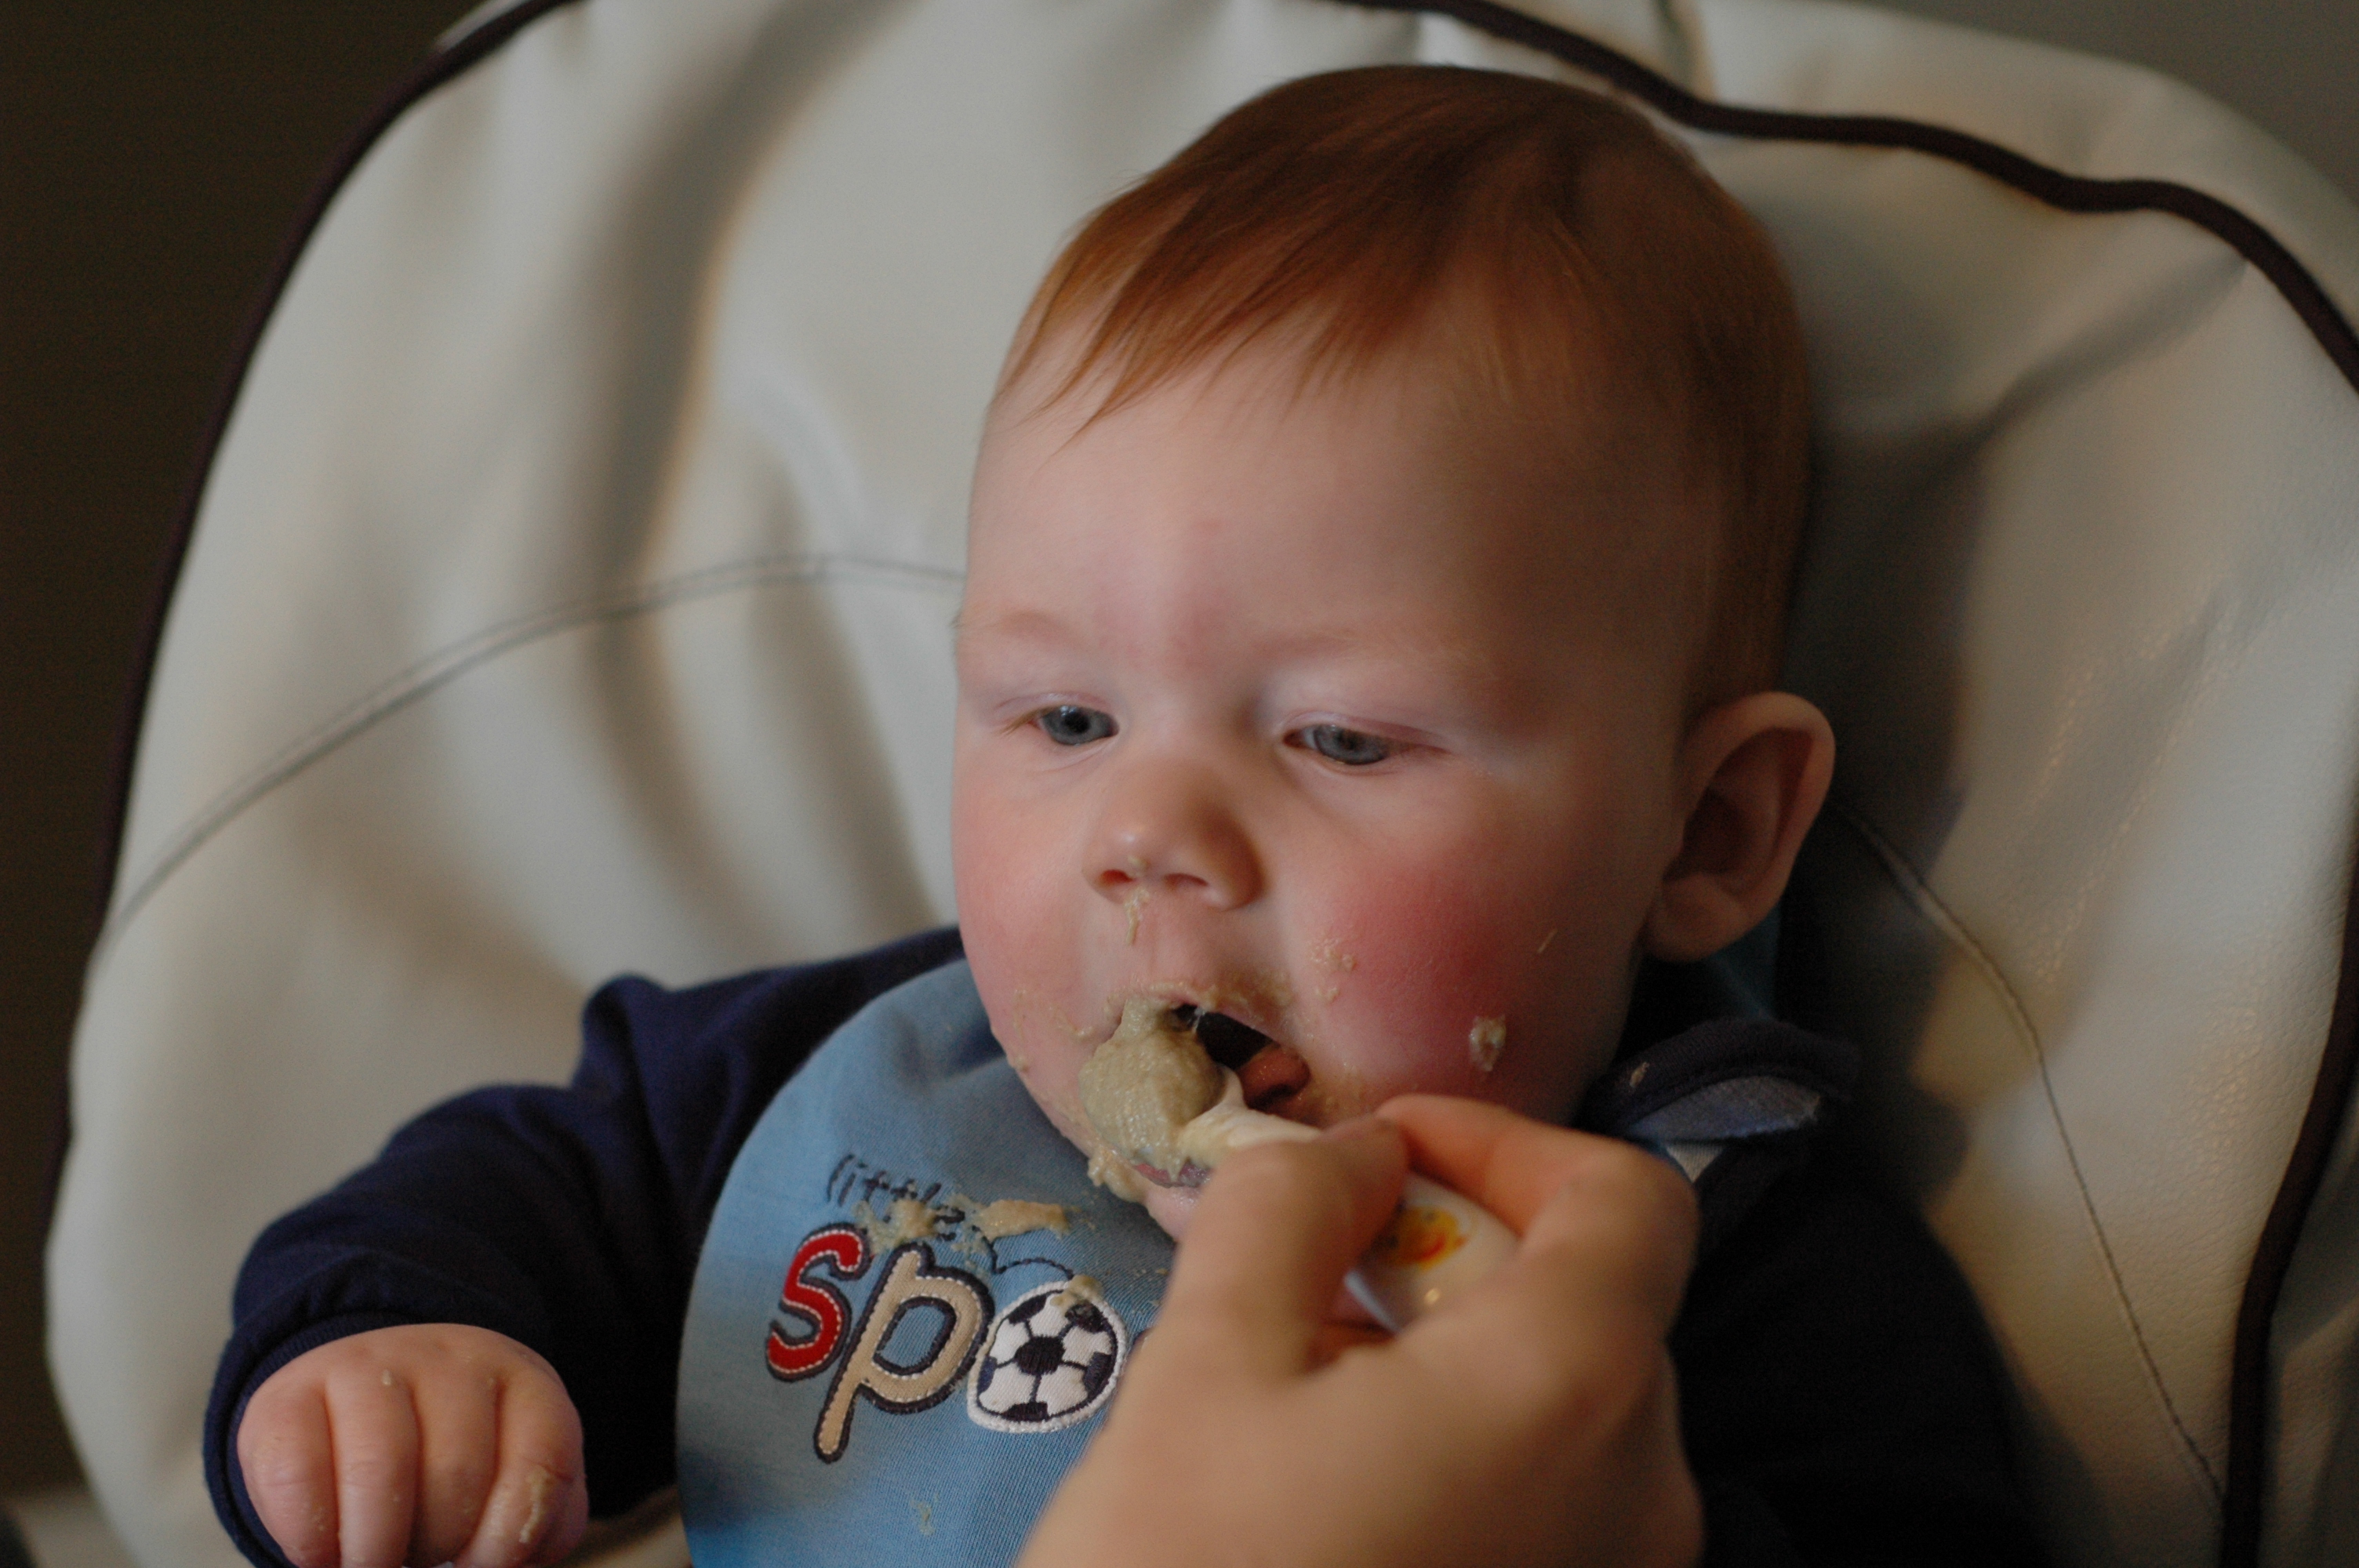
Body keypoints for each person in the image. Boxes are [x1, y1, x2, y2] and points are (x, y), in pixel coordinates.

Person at [208, 65, 2045, 1568]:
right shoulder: (843, 1094)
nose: (1147, 832)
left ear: (1704, 832)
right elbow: (518, 1191)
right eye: (1068, 716)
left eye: (1341, 739)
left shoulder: (1728, 1284)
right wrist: (401, 1355)